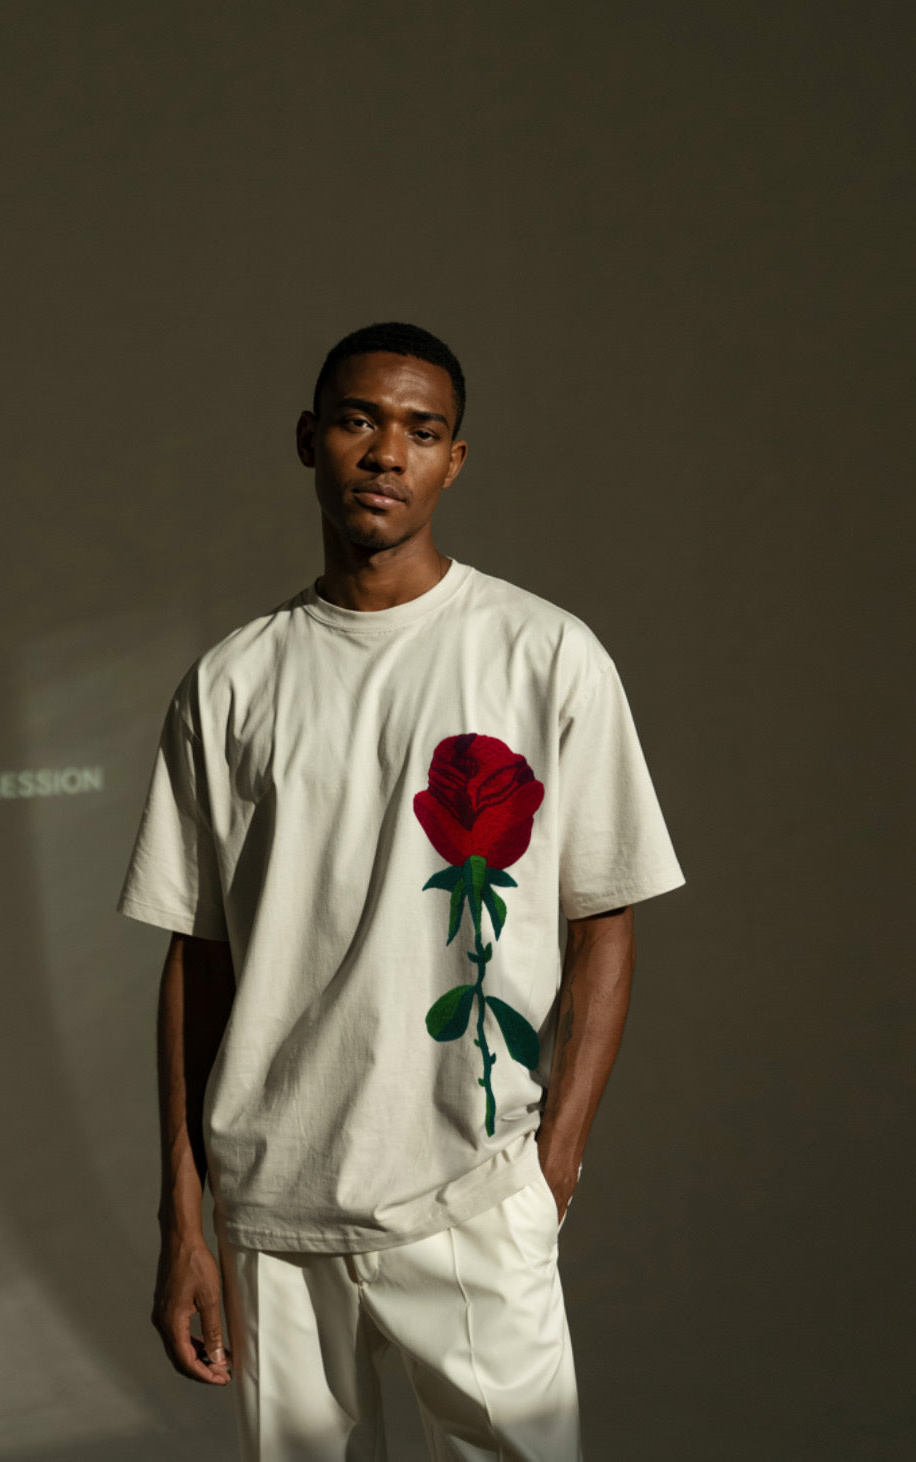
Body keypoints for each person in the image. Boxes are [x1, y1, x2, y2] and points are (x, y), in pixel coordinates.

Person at [117, 322, 685, 1460]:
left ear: (454, 461)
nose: (387, 453)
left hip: (472, 1189)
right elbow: (199, 960)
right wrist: (185, 1220)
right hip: (271, 1206)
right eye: (359, 421)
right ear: (309, 439)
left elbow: (604, 923)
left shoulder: (544, 653)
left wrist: (552, 1167)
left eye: (422, 431)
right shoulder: (232, 683)